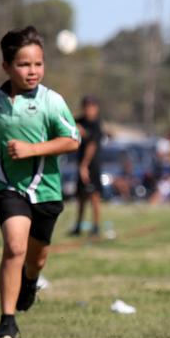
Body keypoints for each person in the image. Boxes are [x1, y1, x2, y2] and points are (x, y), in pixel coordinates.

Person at [0, 26, 79, 338]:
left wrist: (32, 149)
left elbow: (71, 140)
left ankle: (30, 281)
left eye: (38, 64)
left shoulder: (52, 101)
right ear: (6, 67)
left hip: (47, 190)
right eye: (24, 64)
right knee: (15, 247)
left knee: (36, 258)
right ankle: (6, 323)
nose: (33, 71)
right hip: (8, 185)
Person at [69, 95, 103, 237]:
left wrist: (84, 165)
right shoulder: (79, 121)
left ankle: (95, 226)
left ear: (96, 108)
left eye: (91, 106)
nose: (89, 109)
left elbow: (92, 146)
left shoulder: (96, 125)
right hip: (81, 164)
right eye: (86, 106)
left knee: (94, 196)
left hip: (92, 165)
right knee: (81, 197)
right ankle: (78, 225)